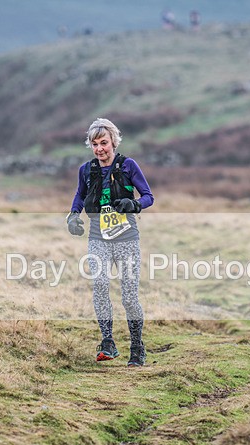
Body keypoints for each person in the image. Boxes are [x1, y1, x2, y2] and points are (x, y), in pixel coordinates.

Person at [67, 118, 155, 366]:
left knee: (128, 297)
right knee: (100, 285)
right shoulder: (86, 170)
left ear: (113, 141)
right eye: (94, 144)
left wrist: (134, 204)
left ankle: (137, 348)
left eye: (104, 143)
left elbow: (149, 196)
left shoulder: (128, 165)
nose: (99, 149)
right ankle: (108, 342)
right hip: (98, 237)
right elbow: (79, 195)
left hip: (126, 238)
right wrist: (73, 216)